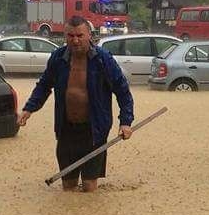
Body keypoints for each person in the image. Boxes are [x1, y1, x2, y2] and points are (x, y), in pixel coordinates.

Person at [18, 16, 134, 192]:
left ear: (90, 36)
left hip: (94, 131)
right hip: (66, 130)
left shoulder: (103, 60)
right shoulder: (58, 58)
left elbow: (123, 91)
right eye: (70, 36)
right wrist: (29, 109)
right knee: (68, 187)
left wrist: (125, 122)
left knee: (89, 187)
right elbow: (44, 85)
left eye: (80, 35)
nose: (75, 40)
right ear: (65, 36)